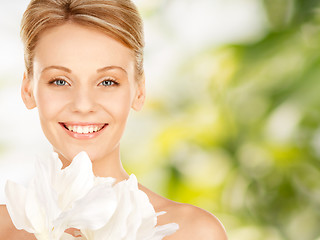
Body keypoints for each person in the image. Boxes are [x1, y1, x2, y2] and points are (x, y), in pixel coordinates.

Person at [0, 0, 228, 239]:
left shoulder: (193, 232)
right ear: (28, 90)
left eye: (107, 82)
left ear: (138, 92)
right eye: (60, 81)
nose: (83, 105)